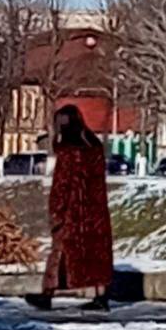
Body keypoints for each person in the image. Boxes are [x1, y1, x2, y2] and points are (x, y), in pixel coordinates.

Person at [25, 105, 112, 311]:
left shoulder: (68, 152)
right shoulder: (95, 147)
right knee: (96, 254)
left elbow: (63, 185)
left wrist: (57, 212)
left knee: (59, 253)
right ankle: (101, 296)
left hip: (72, 212)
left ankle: (47, 295)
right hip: (95, 211)